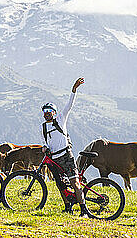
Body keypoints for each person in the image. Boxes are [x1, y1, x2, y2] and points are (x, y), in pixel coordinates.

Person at [41, 77, 87, 216]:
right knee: (60, 185)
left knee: (75, 183)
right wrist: (44, 148)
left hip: (66, 156)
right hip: (54, 159)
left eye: (50, 110)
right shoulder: (43, 127)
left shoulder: (61, 119)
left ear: (54, 112)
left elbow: (70, 104)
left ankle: (84, 210)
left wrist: (74, 88)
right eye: (45, 111)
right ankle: (68, 207)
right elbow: (44, 142)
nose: (47, 113)